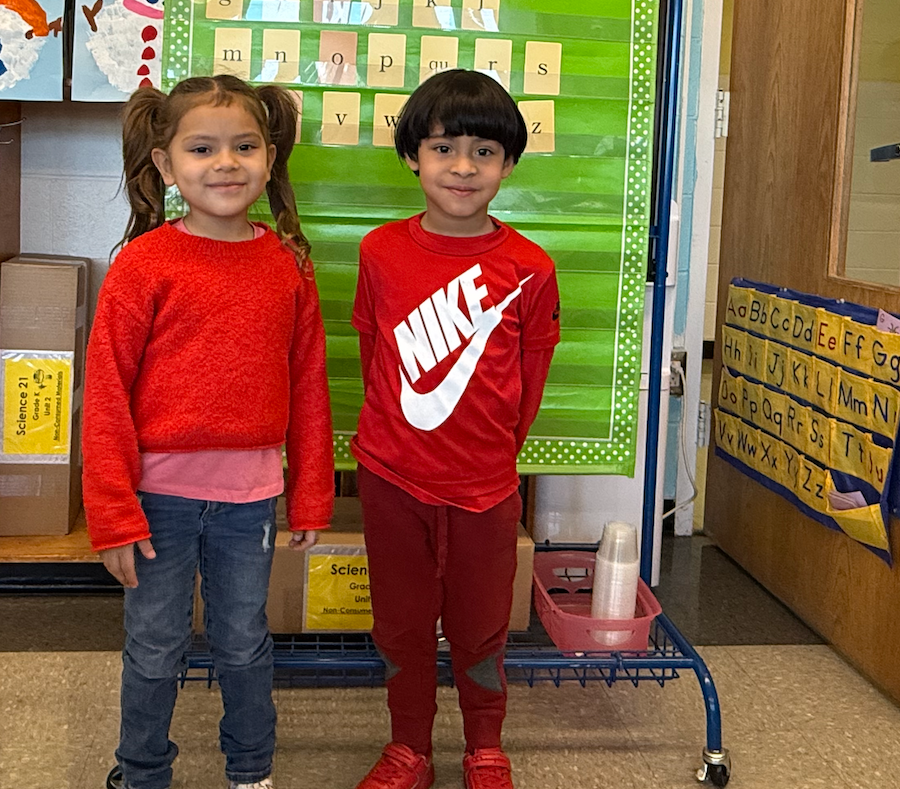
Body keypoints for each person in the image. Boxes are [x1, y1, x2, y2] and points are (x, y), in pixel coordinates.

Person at [83, 74, 335, 789]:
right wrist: (111, 513)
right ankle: (141, 772)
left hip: (248, 499)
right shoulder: (143, 263)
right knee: (154, 645)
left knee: (244, 641)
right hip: (154, 500)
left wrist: (312, 493)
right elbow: (104, 394)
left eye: (245, 146)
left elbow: (308, 386)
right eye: (202, 148)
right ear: (165, 164)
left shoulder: (288, 263)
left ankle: (251, 770)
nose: (226, 163)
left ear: (270, 154)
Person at [350, 69, 561, 789]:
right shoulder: (378, 252)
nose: (463, 168)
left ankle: (485, 745)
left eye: (484, 151)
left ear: (508, 163)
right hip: (390, 478)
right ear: (413, 155)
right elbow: (373, 353)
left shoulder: (530, 267)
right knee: (401, 627)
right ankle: (408, 746)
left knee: (479, 629)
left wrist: (489, 453)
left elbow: (527, 386)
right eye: (444, 148)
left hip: (485, 488)